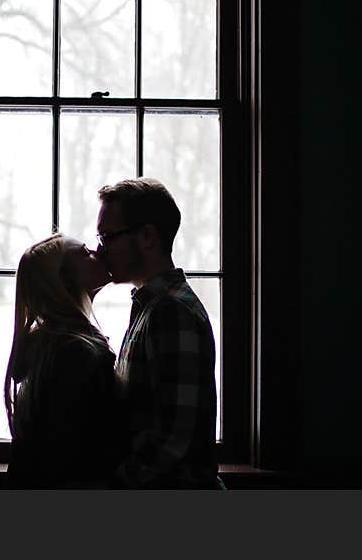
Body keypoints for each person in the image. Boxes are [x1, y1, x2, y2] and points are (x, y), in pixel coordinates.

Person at [95, 178, 220, 489]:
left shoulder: (170, 311)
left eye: (108, 236)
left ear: (147, 236)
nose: (100, 249)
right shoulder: (151, 307)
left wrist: (108, 488)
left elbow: (172, 439)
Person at [4, 233, 124, 488]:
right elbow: (78, 457)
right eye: (84, 253)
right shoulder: (77, 353)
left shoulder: (50, 347)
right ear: (62, 280)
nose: (99, 251)